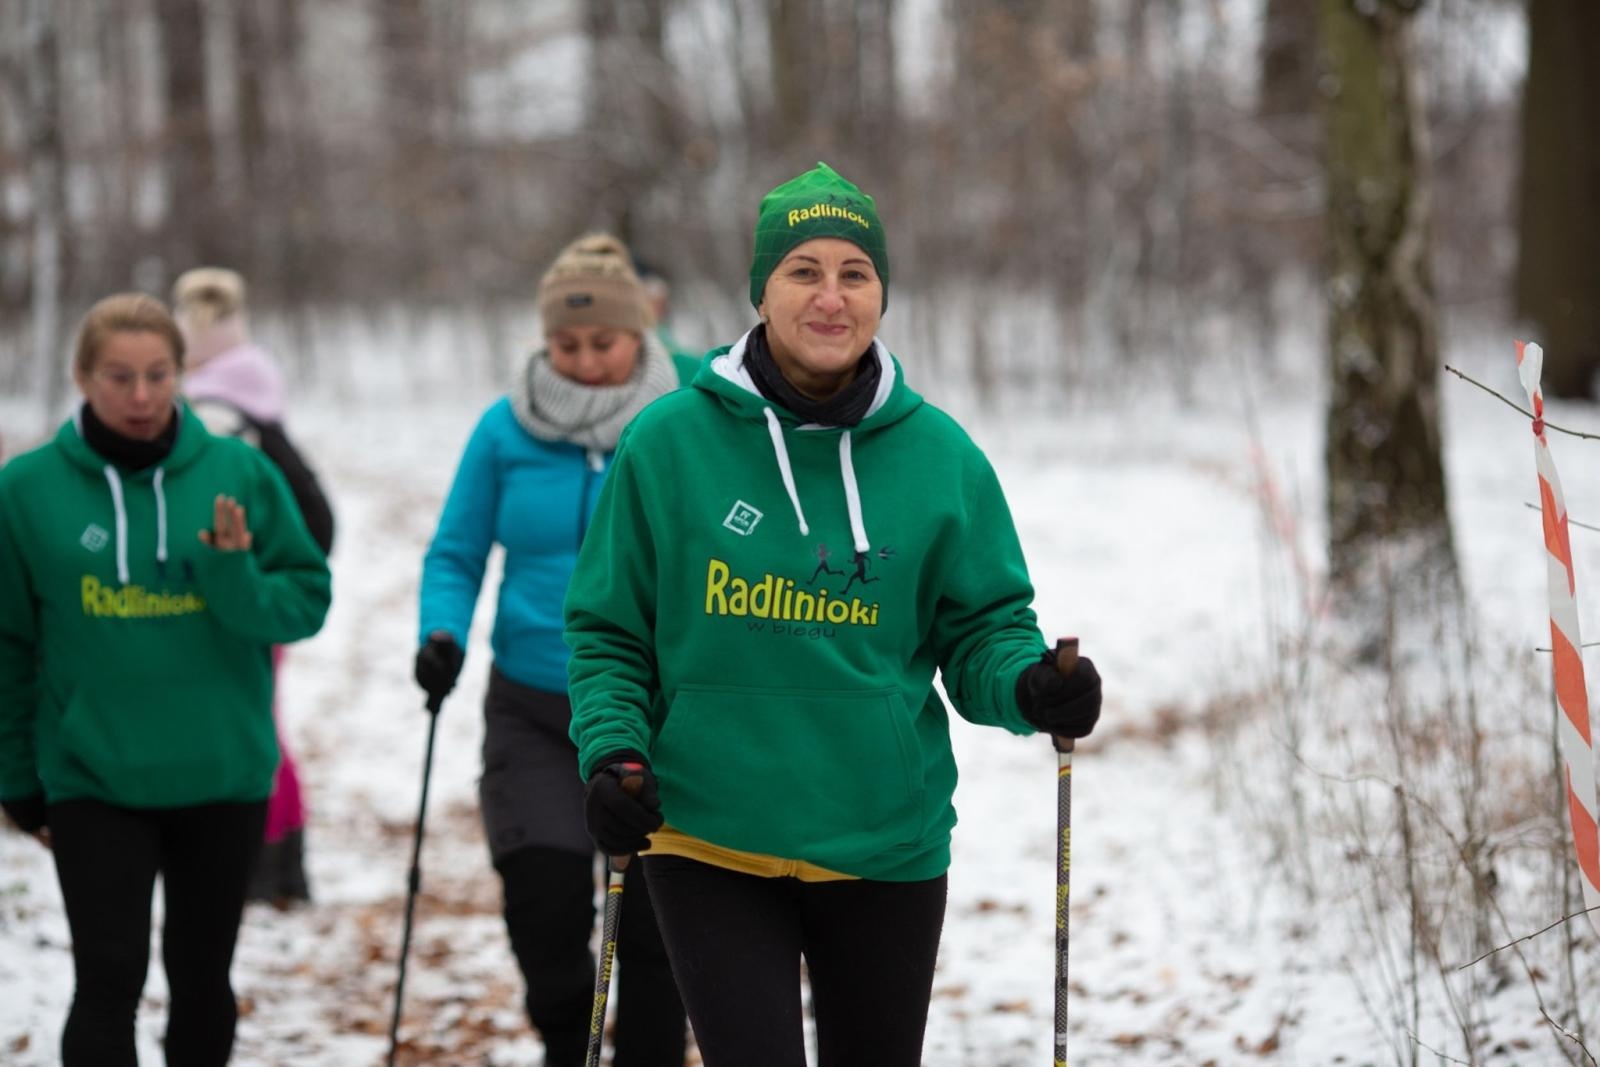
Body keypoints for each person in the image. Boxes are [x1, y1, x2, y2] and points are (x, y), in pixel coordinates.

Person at [563, 162, 1104, 1067]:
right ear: (761, 290)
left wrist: (1028, 685)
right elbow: (611, 631)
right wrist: (614, 751)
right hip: (709, 834)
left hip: (883, 838)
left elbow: (982, 630)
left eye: (855, 272)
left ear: (881, 293)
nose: (830, 296)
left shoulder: (940, 456)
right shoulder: (667, 443)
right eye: (803, 271)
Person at [0, 293, 333, 1065]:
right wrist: (16, 773)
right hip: (95, 776)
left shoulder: (238, 471)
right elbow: (8, 644)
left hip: (221, 776)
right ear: (83, 376)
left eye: (158, 374)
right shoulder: (25, 490)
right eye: (119, 376)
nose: (141, 395)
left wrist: (230, 574)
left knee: (201, 978)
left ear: (184, 375)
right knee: (108, 979)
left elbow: (305, 603)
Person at [413, 233, 688, 1066]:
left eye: (602, 342)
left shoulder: (680, 427)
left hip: (655, 711)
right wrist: (442, 631)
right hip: (533, 702)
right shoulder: (505, 429)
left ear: (640, 331)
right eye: (565, 344)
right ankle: (566, 1040)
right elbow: (456, 550)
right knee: (542, 910)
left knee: (652, 934)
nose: (583, 360)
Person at [172, 266, 327, 906]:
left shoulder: (211, 404)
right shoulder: (254, 387)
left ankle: (269, 865)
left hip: (240, 585)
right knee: (264, 720)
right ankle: (283, 863)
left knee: (253, 723)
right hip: (264, 582)